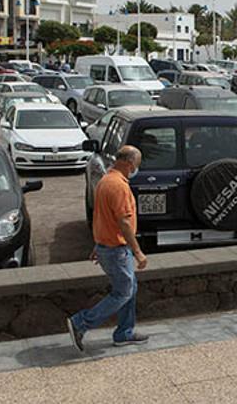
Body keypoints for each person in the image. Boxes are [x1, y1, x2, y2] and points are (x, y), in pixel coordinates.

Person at [67, 146, 149, 351]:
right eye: (136, 164)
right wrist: (138, 252)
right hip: (116, 250)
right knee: (123, 292)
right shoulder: (119, 187)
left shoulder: (105, 181)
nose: (136, 168)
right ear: (129, 163)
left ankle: (124, 333)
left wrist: (99, 244)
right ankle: (81, 323)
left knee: (130, 289)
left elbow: (101, 217)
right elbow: (123, 223)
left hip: (108, 247)